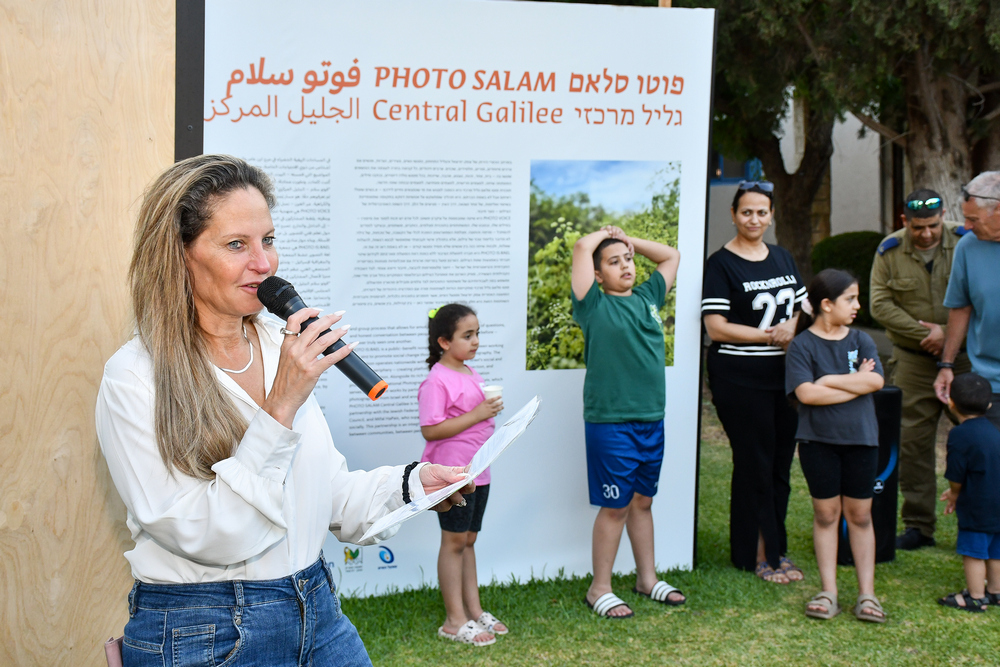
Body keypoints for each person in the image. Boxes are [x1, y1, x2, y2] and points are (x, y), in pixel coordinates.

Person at [96, 155, 472, 667]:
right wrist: (281, 404)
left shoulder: (278, 345)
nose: (265, 264)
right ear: (180, 255)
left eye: (268, 240)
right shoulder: (136, 376)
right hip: (202, 628)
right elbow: (208, 534)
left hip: (315, 605)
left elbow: (321, 493)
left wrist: (410, 485)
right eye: (237, 245)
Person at [571, 224, 682, 618]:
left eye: (629, 260)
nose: (626, 266)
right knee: (615, 507)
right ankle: (599, 587)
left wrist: (629, 242)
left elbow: (671, 255)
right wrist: (603, 234)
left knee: (643, 501)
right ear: (598, 275)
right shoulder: (592, 304)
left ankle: (646, 579)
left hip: (651, 419)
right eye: (613, 263)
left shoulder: (650, 296)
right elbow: (582, 247)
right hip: (610, 422)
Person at [702, 180, 806, 583]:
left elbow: (803, 306)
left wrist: (792, 325)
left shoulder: (782, 257)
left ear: (771, 215)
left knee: (780, 463)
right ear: (733, 214)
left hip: (784, 378)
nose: (754, 219)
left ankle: (775, 548)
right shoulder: (721, 263)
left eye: (762, 212)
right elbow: (717, 327)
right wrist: (771, 335)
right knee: (754, 464)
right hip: (739, 378)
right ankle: (756, 553)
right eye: (747, 211)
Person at [869, 188, 971, 551]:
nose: (926, 233)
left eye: (932, 225)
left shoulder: (967, 241)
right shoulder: (890, 251)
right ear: (904, 222)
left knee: (980, 439)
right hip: (913, 359)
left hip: (966, 357)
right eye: (917, 227)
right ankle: (919, 525)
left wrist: (951, 337)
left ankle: (979, 521)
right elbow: (880, 304)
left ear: (943, 215)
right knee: (913, 443)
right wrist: (927, 334)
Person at [785, 269, 887, 623]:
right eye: (850, 299)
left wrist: (829, 379)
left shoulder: (861, 339)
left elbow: (875, 382)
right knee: (826, 515)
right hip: (818, 443)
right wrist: (852, 380)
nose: (858, 306)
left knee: (860, 516)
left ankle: (867, 595)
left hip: (862, 440)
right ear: (826, 305)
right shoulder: (801, 345)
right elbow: (806, 393)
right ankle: (829, 591)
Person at [418, 304, 507, 647]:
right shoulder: (436, 380)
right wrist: (479, 413)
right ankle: (454, 621)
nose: (475, 341)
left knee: (468, 540)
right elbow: (431, 430)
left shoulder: (472, 374)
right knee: (454, 542)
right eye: (467, 335)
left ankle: (474, 609)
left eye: (477, 334)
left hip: (479, 472)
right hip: (453, 476)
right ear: (443, 340)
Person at [934, 172, 1000, 433]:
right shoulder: (968, 247)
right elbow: (960, 308)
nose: (968, 226)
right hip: (990, 385)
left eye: (973, 219)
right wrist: (947, 365)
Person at [937, 372, 1000, 612]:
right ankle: (995, 591)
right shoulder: (995, 432)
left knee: (973, 550)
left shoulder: (960, 434)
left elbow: (956, 473)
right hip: (998, 501)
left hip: (978, 504)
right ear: (990, 404)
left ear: (951, 402)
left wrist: (954, 493)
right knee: (996, 549)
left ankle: (975, 597)